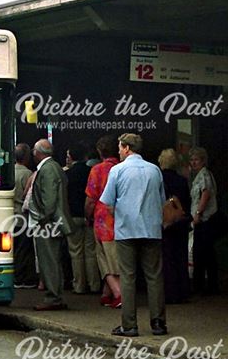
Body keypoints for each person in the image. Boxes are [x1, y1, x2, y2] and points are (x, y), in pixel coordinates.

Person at [103, 133, 168, 337]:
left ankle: (129, 325)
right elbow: (162, 199)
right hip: (151, 228)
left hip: (126, 229)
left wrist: (120, 213)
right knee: (154, 276)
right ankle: (158, 323)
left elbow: (108, 202)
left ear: (127, 148)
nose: (119, 151)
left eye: (120, 148)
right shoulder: (155, 170)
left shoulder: (117, 171)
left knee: (128, 277)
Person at [27, 139, 71, 311]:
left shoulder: (47, 169)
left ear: (38, 153)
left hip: (48, 223)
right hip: (53, 221)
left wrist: (43, 219)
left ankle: (53, 297)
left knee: (49, 260)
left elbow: (49, 200)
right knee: (54, 260)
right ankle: (55, 295)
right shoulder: (54, 167)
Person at [86, 135, 121, 309]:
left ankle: (118, 293)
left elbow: (91, 199)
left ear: (100, 152)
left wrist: (88, 216)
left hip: (102, 220)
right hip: (121, 219)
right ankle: (107, 294)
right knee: (117, 258)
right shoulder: (122, 168)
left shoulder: (97, 170)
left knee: (104, 260)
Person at [65, 143, 100, 294]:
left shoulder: (67, 174)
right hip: (89, 216)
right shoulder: (90, 172)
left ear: (71, 157)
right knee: (91, 251)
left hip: (73, 216)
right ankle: (94, 285)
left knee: (76, 252)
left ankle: (79, 285)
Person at [159, 148, 192, 304]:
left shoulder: (159, 179)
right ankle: (183, 291)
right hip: (180, 222)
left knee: (167, 258)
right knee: (181, 257)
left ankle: (170, 292)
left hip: (165, 224)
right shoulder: (182, 180)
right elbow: (187, 202)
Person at [189, 147, 220, 295]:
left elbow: (205, 194)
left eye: (196, 160)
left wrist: (197, 213)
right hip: (203, 220)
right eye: (192, 160)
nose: (193, 162)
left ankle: (204, 285)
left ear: (203, 161)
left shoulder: (204, 176)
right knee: (204, 254)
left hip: (205, 220)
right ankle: (205, 284)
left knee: (203, 254)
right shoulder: (198, 176)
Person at [11, 142, 38, 288]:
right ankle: (21, 277)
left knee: (13, 248)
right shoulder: (28, 174)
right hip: (23, 216)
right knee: (23, 249)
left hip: (10, 215)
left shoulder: (9, 172)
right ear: (27, 157)